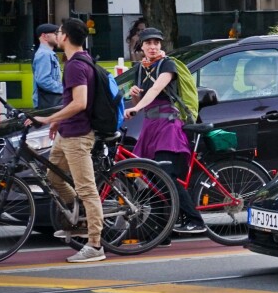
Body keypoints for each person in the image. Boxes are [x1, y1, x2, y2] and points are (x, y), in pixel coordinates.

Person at [28, 18, 105, 262]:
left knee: (87, 190)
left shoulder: (76, 65)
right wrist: (58, 122)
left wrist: (49, 117)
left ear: (66, 37)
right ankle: (77, 218)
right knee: (53, 178)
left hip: (78, 136)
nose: (57, 34)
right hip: (65, 133)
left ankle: (95, 245)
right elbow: (71, 100)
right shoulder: (75, 61)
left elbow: (80, 103)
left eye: (60, 31)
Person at [124, 28, 207, 236]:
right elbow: (142, 102)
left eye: (156, 43)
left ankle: (196, 220)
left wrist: (134, 107)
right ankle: (163, 232)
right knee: (152, 178)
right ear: (141, 46)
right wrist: (134, 97)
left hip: (168, 126)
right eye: (148, 43)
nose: (153, 47)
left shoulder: (166, 64)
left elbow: (155, 91)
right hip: (151, 125)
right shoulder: (141, 69)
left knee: (166, 176)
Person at [32, 23, 63, 109]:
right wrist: (64, 88)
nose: (58, 36)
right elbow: (43, 80)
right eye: (56, 33)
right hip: (48, 103)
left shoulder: (48, 54)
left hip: (49, 102)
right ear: (44, 36)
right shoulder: (44, 54)